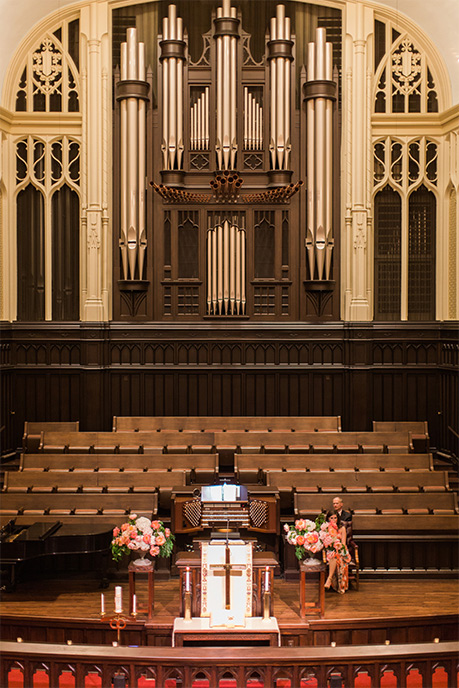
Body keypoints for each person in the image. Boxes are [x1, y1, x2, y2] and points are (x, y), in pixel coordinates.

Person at [322, 510, 351, 594]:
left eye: (335, 518)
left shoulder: (342, 528)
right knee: (333, 555)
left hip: (342, 551)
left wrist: (338, 548)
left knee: (336, 555)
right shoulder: (326, 528)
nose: (334, 520)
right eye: (332, 518)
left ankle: (329, 579)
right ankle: (330, 579)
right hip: (330, 550)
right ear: (328, 519)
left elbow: (343, 544)